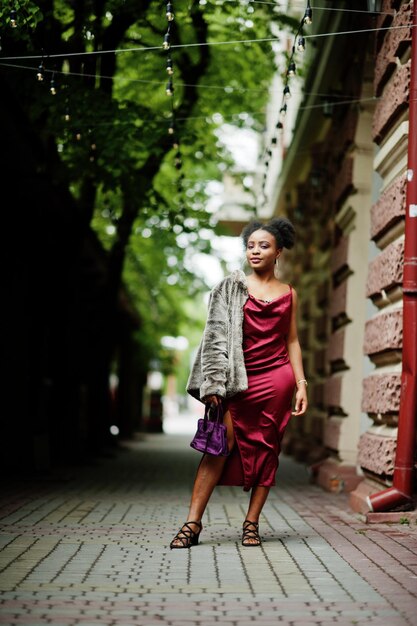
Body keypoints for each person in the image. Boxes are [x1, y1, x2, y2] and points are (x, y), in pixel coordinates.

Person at [170, 217, 308, 549]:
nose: (256, 251)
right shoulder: (231, 287)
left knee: (268, 449)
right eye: (250, 246)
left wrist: (301, 382)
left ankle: (251, 524)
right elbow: (214, 337)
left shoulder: (290, 293)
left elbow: (292, 341)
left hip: (277, 380)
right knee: (219, 446)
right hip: (238, 381)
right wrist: (213, 386)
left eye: (264, 245)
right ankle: (192, 523)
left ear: (278, 252)